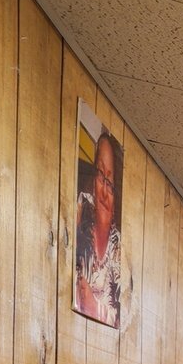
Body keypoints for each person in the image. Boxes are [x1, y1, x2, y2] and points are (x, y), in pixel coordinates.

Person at [75, 130, 123, 324]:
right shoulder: (81, 208)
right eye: (99, 174)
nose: (103, 190)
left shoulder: (118, 247)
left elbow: (118, 317)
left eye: (109, 183)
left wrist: (94, 305)